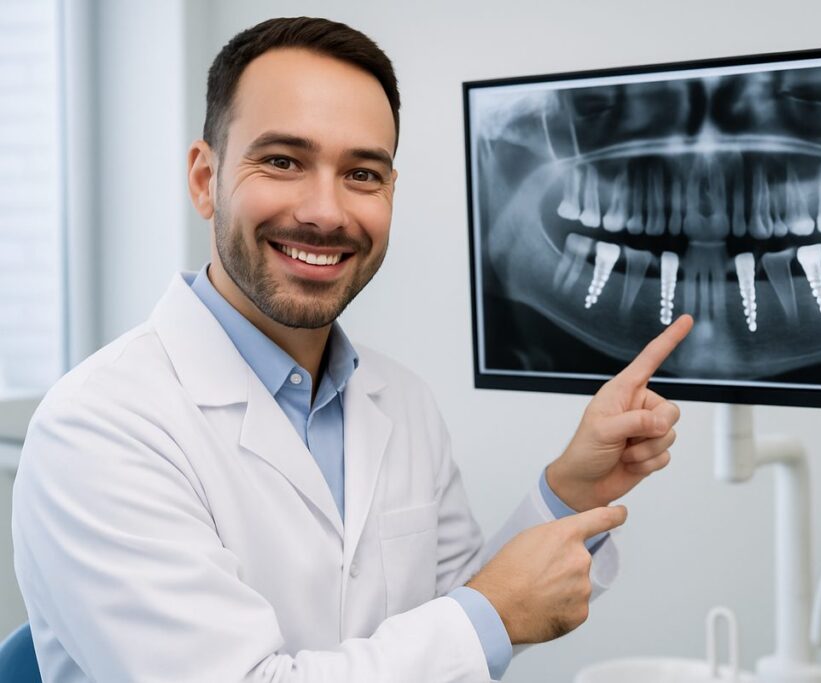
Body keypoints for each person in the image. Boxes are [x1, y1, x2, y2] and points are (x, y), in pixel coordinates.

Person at [12, 17, 694, 683]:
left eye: (362, 174)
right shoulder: (99, 429)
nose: (326, 212)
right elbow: (476, 620)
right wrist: (489, 614)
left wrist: (571, 491)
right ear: (203, 178)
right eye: (283, 161)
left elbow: (455, 617)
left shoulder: (402, 401)